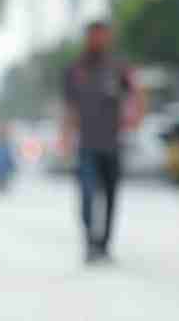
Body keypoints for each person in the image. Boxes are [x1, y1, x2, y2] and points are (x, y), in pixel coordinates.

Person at [62, 20, 145, 263]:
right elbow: (68, 107)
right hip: (87, 144)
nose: (99, 40)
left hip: (112, 143)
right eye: (94, 36)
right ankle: (89, 242)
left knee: (110, 196)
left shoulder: (118, 67)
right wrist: (66, 136)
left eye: (103, 36)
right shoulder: (75, 70)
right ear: (88, 38)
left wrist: (135, 118)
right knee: (87, 195)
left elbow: (137, 93)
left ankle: (104, 245)